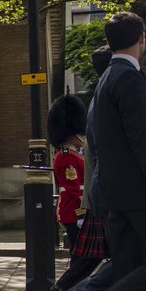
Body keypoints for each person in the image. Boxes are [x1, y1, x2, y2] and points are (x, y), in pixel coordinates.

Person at [62, 11, 146, 291]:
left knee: (131, 267)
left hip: (115, 193)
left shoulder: (108, 78)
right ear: (142, 38)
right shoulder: (130, 79)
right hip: (139, 194)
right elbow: (144, 143)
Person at [48, 97, 86, 250]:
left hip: (75, 210)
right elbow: (73, 189)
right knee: (79, 253)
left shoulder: (73, 154)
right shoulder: (67, 156)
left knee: (80, 252)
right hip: (74, 211)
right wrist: (82, 213)